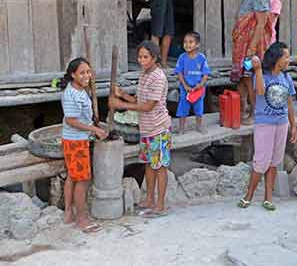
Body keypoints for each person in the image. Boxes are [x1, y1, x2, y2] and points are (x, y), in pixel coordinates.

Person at [108, 41, 171, 216]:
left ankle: (160, 204)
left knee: (160, 167)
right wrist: (123, 95)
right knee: (149, 165)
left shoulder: (158, 77)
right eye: (140, 57)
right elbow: (139, 101)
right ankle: (149, 199)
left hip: (159, 128)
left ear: (155, 58)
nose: (141, 60)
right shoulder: (144, 74)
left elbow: (148, 106)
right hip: (146, 129)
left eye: (145, 57)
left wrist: (119, 103)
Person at [238, 42, 297, 211]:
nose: (288, 59)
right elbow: (261, 92)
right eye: (285, 56)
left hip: (282, 123)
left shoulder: (286, 78)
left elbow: (290, 104)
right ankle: (249, 195)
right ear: (277, 59)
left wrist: (293, 126)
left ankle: (268, 198)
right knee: (261, 161)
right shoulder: (262, 75)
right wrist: (257, 70)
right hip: (264, 123)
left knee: (275, 161)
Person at [61, 57, 107, 232]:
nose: (86, 75)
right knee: (82, 179)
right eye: (82, 72)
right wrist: (94, 129)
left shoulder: (80, 90)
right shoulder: (71, 93)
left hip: (75, 138)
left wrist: (92, 125)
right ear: (73, 75)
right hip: (75, 141)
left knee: (73, 176)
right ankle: (81, 218)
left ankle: (68, 213)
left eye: (88, 71)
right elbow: (71, 120)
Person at [230, 0, 272, 125]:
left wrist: (252, 48)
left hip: (251, 46)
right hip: (244, 44)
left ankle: (255, 113)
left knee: (249, 77)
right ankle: (243, 110)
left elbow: (261, 24)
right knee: (242, 77)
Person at [175, 31, 210, 134]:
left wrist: (200, 85)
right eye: (185, 42)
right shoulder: (182, 57)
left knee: (199, 108)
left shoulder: (202, 58)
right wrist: (185, 85)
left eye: (191, 42)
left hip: (198, 89)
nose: (187, 44)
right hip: (185, 89)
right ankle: (181, 128)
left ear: (197, 44)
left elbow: (205, 74)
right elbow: (179, 73)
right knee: (183, 108)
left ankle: (199, 126)